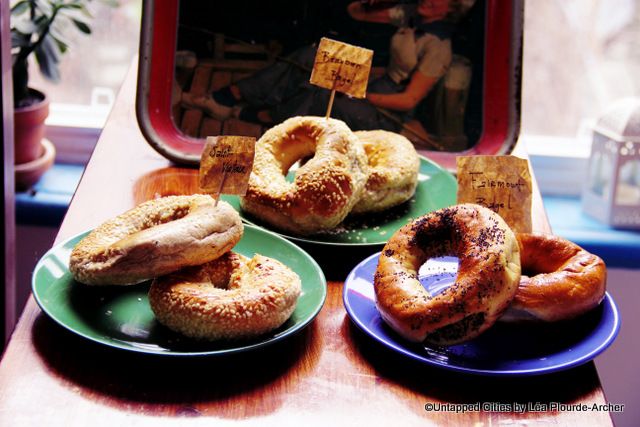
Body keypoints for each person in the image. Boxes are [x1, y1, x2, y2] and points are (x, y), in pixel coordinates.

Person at [182, 0, 470, 133]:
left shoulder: (438, 46)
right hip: (376, 81)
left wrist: (359, 93)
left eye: (439, 0)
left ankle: (246, 113)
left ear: (451, 9)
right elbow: (355, 10)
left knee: (322, 94)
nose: (430, 1)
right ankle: (225, 95)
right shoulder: (410, 14)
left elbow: (408, 99)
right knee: (314, 55)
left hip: (389, 110)